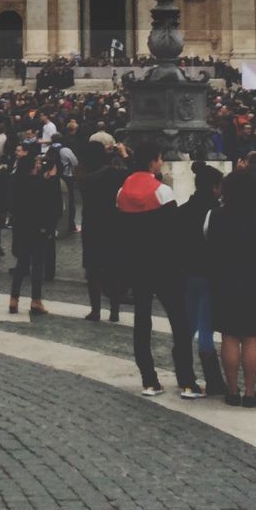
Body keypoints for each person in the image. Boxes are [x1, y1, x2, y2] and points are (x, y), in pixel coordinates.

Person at [115, 143, 204, 399]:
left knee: (142, 320)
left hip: (136, 264)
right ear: (154, 161)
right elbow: (173, 234)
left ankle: (149, 380)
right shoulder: (163, 191)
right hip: (165, 265)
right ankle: (187, 381)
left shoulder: (122, 192)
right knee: (179, 321)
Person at [204, 169, 256, 406]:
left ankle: (232, 390)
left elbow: (208, 240)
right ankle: (250, 392)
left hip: (224, 279)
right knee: (251, 338)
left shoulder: (214, 215)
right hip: (254, 279)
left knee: (229, 336)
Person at [180, 163, 226, 396]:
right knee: (205, 327)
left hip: (187, 272)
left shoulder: (184, 209)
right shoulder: (217, 213)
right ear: (215, 187)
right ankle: (214, 379)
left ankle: (184, 373)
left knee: (188, 325)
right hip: (208, 273)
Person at [7, 146, 62, 316]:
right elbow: (48, 204)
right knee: (37, 264)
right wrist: (51, 178)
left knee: (21, 263)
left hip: (22, 227)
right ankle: (36, 301)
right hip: (38, 228)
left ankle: (14, 299)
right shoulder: (40, 184)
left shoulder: (17, 182)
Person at [76, 139, 124, 321]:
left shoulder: (82, 175)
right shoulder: (112, 174)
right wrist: (122, 154)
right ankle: (114, 310)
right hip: (111, 223)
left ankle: (95, 310)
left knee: (93, 270)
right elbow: (131, 173)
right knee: (113, 269)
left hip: (91, 224)